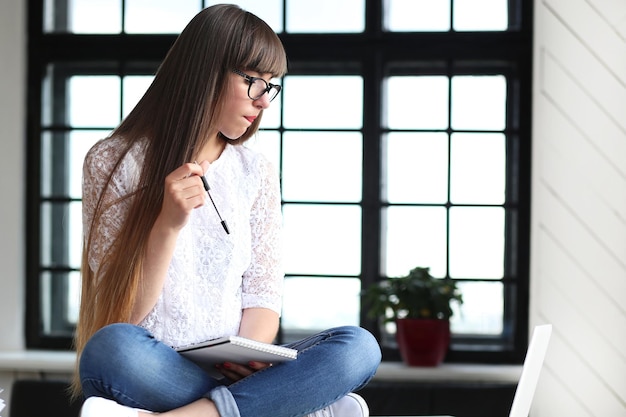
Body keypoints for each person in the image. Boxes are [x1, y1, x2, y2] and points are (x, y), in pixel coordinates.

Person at [73, 4, 381, 417]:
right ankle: (285, 407)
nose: (265, 100)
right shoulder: (111, 161)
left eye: (272, 85)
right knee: (111, 349)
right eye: (254, 81)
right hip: (155, 368)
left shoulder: (254, 170)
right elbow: (119, 314)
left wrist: (250, 364)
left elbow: (263, 295)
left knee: (359, 346)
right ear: (205, 71)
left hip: (238, 374)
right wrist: (167, 225)